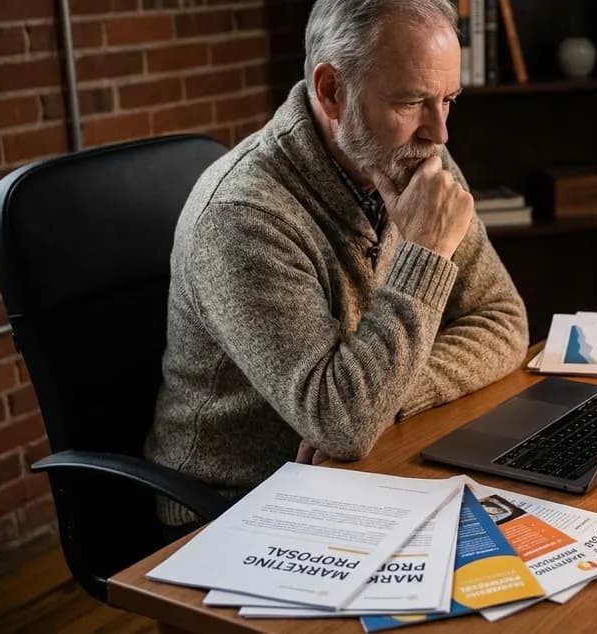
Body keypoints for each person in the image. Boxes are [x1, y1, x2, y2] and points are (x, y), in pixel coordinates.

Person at [145, 0, 528, 530]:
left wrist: (385, 398)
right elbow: (343, 423)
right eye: (412, 101)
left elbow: (504, 320)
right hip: (236, 507)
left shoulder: (419, 156)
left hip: (360, 468)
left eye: (448, 100)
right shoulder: (241, 217)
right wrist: (425, 253)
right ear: (331, 91)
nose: (439, 134)